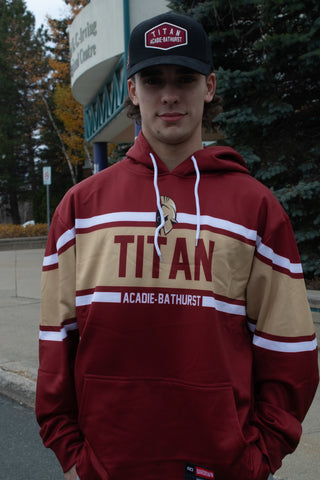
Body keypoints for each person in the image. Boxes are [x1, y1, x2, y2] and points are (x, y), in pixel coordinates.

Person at [36, 12, 319, 480]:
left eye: (185, 79)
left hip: (221, 468)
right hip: (107, 468)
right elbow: (55, 346)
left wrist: (255, 460)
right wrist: (74, 457)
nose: (169, 94)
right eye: (153, 79)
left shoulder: (256, 208)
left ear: (209, 86)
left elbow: (290, 351)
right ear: (132, 91)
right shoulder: (80, 208)